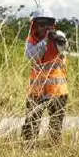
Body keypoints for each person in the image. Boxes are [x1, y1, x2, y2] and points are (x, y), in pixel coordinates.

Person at [21, 10, 69, 146]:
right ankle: (28, 147)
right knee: (31, 121)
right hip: (36, 91)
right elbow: (32, 56)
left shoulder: (59, 36)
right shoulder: (30, 41)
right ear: (34, 26)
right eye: (40, 25)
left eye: (47, 25)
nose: (44, 28)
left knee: (56, 123)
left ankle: (54, 147)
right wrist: (45, 42)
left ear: (52, 25)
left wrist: (54, 39)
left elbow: (64, 47)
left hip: (57, 90)